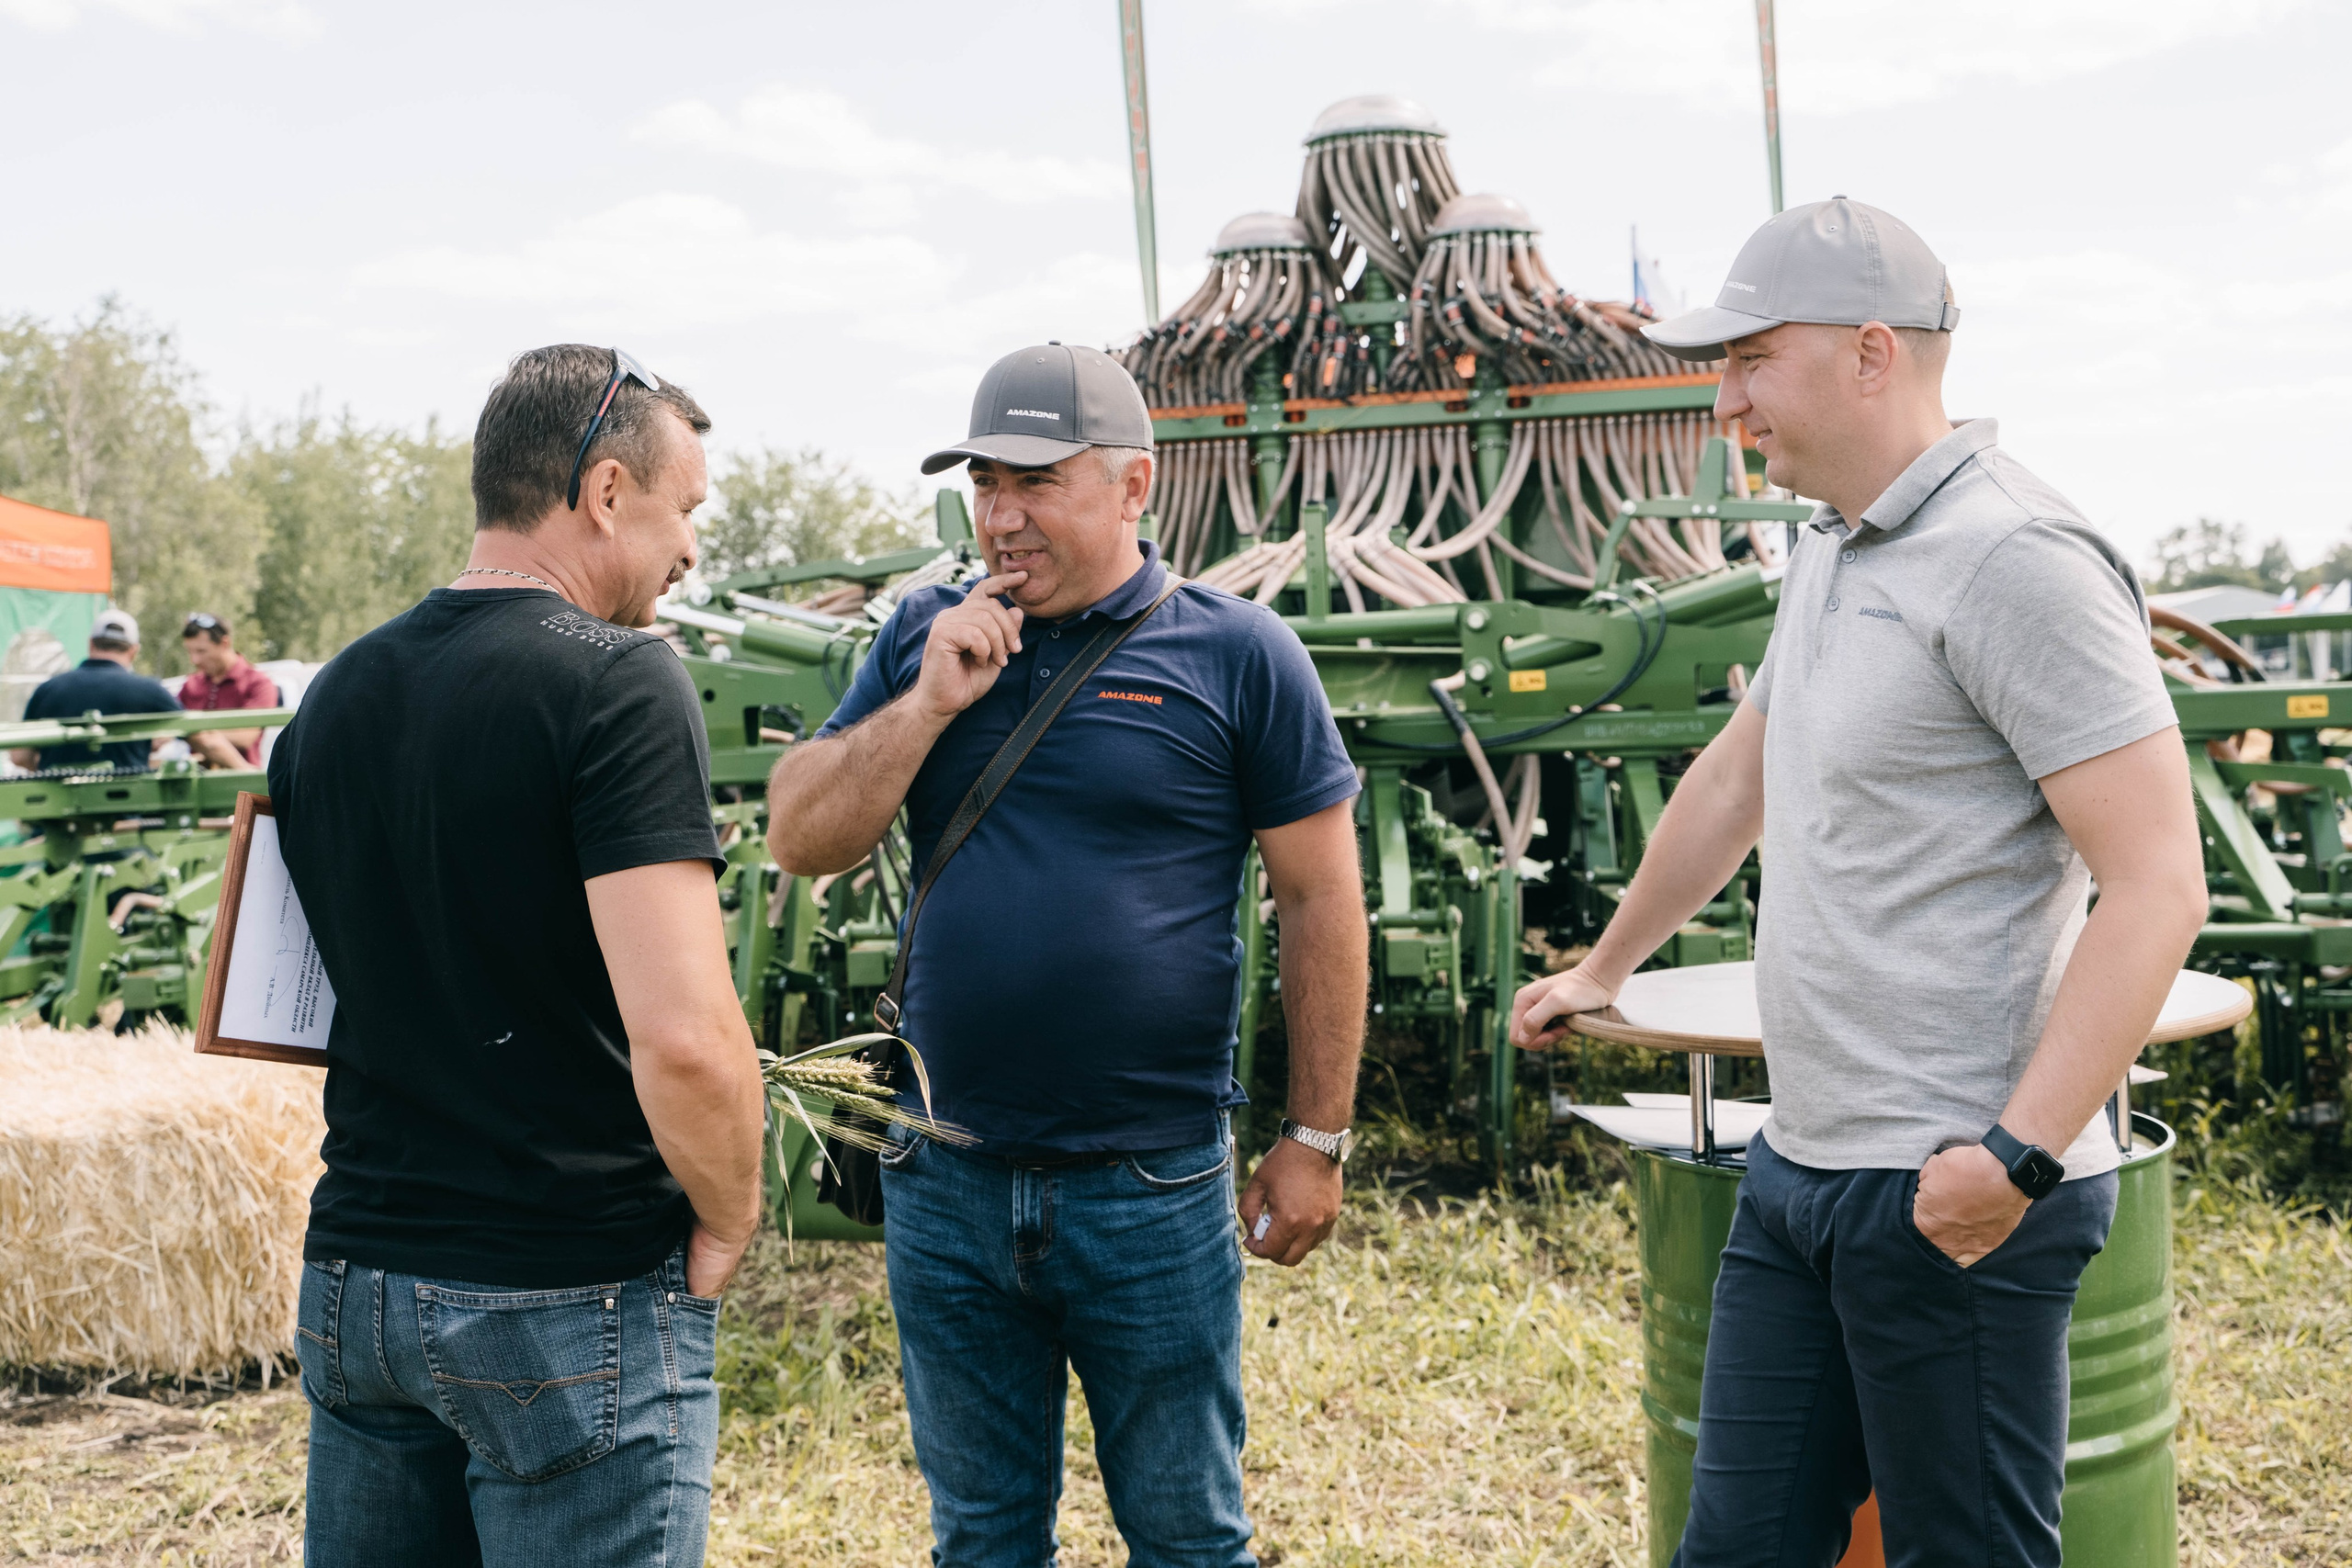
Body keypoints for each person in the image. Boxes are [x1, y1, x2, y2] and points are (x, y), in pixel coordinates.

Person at [1510, 199, 2209, 1567]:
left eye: (1752, 361)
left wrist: (2008, 1161)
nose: (1725, 404)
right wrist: (1607, 965)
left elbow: (2159, 883)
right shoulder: (1833, 545)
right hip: (1802, 1171)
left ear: (1872, 352)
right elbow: (1733, 779)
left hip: (1956, 1194)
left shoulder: (2019, 559)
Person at [765, 342, 1369, 1568]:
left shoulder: (1240, 654)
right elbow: (801, 834)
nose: (1002, 514)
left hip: (1146, 1186)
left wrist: (1315, 1137)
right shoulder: (924, 637)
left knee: (1188, 1533)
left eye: (1036, 481)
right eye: (986, 481)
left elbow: (1320, 899)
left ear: (1135, 487)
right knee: (982, 1537)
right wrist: (929, 701)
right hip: (948, 1185)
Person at [272, 344, 766, 1568]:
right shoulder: (619, 680)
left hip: (357, 1281)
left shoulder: (334, 694)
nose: (691, 550)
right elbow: (690, 1038)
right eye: (684, 510)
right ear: (605, 493)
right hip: (561, 1290)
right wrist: (732, 1208)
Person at [10, 608, 180, 773]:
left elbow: (19, 756)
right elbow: (202, 740)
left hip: (59, 799)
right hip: (126, 799)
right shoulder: (151, 691)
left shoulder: (47, 690)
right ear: (133, 651)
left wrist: (46, 773)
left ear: (91, 644)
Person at [176, 612, 280, 768]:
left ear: (225, 643)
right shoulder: (190, 685)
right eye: (189, 652)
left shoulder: (258, 683)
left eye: (201, 651)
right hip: (195, 784)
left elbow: (245, 736)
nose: (194, 660)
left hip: (240, 783)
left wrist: (194, 735)